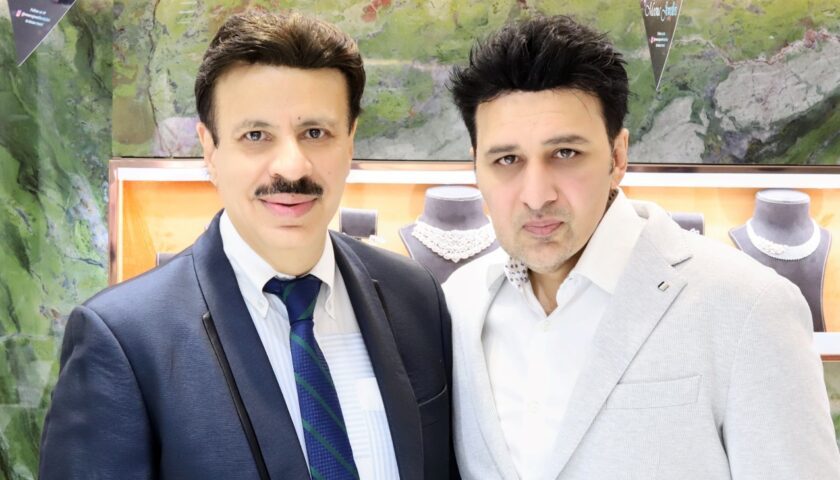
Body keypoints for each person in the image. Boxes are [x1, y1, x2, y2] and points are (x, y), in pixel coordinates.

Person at [40, 11, 454, 479]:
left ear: (350, 141)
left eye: (315, 133)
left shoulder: (415, 298)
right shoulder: (125, 339)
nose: (292, 167)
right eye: (256, 135)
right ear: (210, 150)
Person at [444, 15, 840, 480]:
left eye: (566, 153)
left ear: (617, 157)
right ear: (476, 167)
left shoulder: (748, 306)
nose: (536, 195)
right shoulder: (457, 304)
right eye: (507, 159)